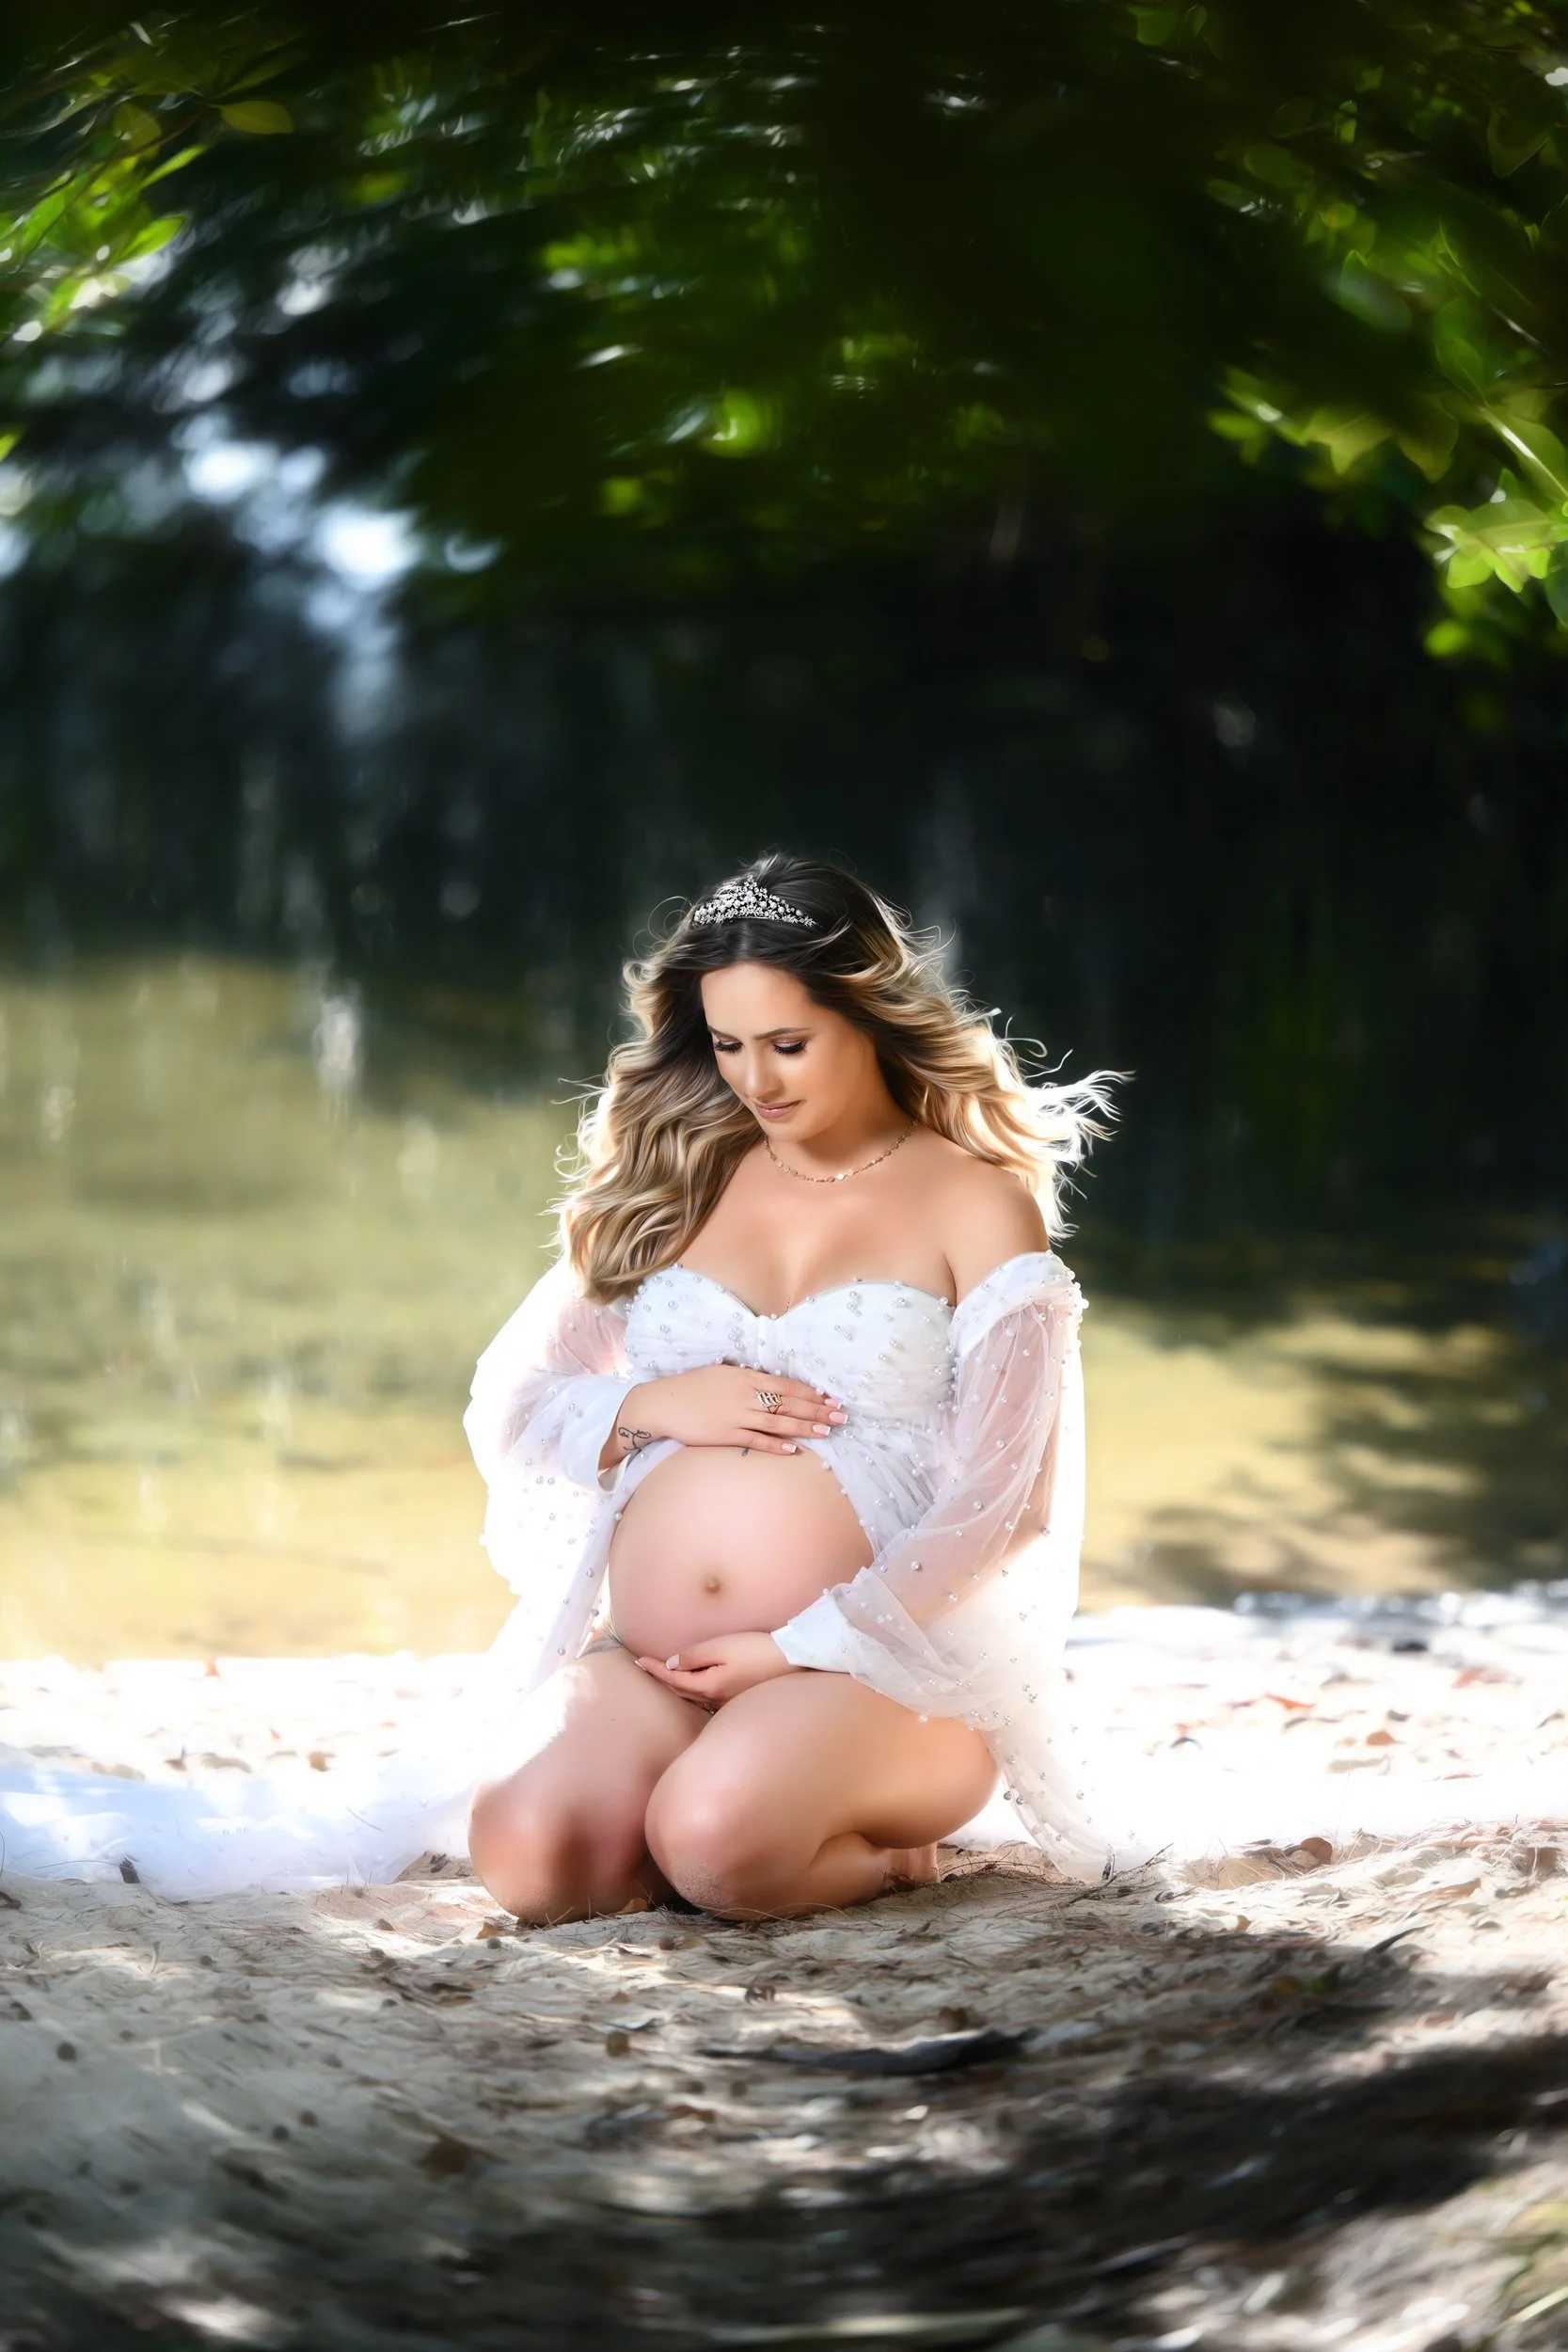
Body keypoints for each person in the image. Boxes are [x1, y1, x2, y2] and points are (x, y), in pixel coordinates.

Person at [461, 853, 1119, 1922]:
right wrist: (648, 1406)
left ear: (868, 1017)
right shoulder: (677, 1176)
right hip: (656, 1666)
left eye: (787, 1043)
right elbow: (509, 1403)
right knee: (527, 1854)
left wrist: (792, 1645)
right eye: (726, 1045)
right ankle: (703, 1800)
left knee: (715, 1850)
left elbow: (1006, 1503)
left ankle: (869, 1849)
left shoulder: (972, 1204)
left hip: (875, 1676)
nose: (754, 1081)